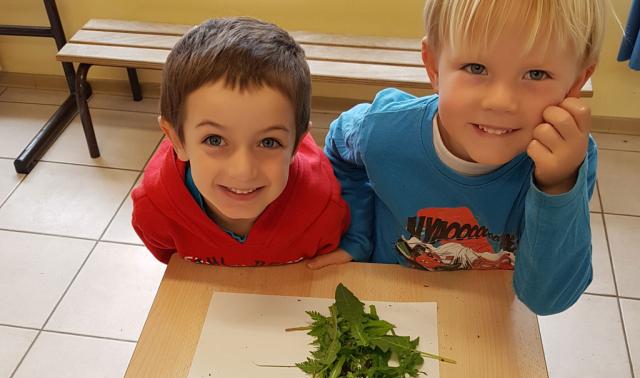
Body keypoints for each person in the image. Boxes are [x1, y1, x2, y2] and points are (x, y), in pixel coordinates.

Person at [308, 0, 605, 315]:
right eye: (476, 68)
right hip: (386, 301)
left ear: (575, 83)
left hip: (484, 314)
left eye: (536, 73)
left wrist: (557, 185)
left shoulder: (568, 160)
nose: (501, 102)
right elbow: (340, 145)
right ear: (433, 66)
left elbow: (546, 299)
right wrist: (356, 235)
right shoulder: (381, 130)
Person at [132, 17, 349, 266]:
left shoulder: (325, 210)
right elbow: (175, 264)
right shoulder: (153, 211)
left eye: (269, 142)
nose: (243, 171)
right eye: (214, 140)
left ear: (297, 145)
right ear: (177, 141)